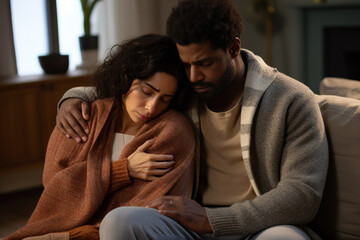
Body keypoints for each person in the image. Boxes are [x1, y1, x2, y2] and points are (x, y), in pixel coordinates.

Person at [55, 0, 329, 239]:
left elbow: (302, 196)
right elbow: (126, 88)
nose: (194, 76)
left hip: (262, 227)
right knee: (119, 220)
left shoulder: (291, 100)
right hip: (186, 226)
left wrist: (213, 219)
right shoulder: (184, 91)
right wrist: (73, 97)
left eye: (205, 63)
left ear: (234, 48)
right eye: (186, 65)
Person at [4, 34, 196, 240]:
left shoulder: (172, 130)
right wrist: (123, 170)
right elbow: (54, 189)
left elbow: (147, 210)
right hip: (69, 231)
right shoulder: (81, 117)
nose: (151, 107)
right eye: (146, 91)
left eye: (165, 99)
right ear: (126, 76)